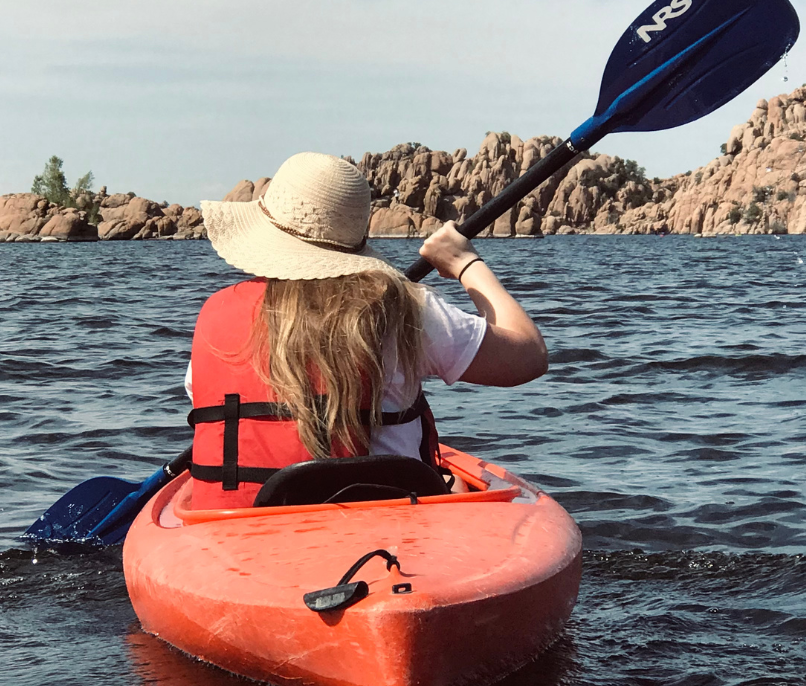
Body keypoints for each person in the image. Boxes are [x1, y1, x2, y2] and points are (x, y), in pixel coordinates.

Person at [186, 151, 547, 508]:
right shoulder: (408, 309)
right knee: (454, 489)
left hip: (236, 531)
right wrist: (465, 263)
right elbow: (528, 356)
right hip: (386, 525)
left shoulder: (216, 315)